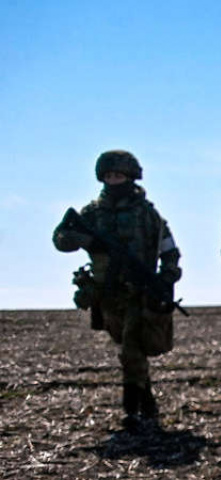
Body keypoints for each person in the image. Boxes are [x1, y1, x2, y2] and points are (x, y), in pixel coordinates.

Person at [52, 150, 182, 431]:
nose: (114, 181)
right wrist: (84, 241)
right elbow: (61, 238)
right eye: (109, 176)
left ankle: (132, 409)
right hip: (107, 293)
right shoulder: (92, 213)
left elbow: (168, 247)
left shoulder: (147, 214)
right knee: (125, 346)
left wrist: (168, 275)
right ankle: (146, 401)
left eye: (119, 176)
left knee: (133, 348)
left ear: (131, 177)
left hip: (139, 291)